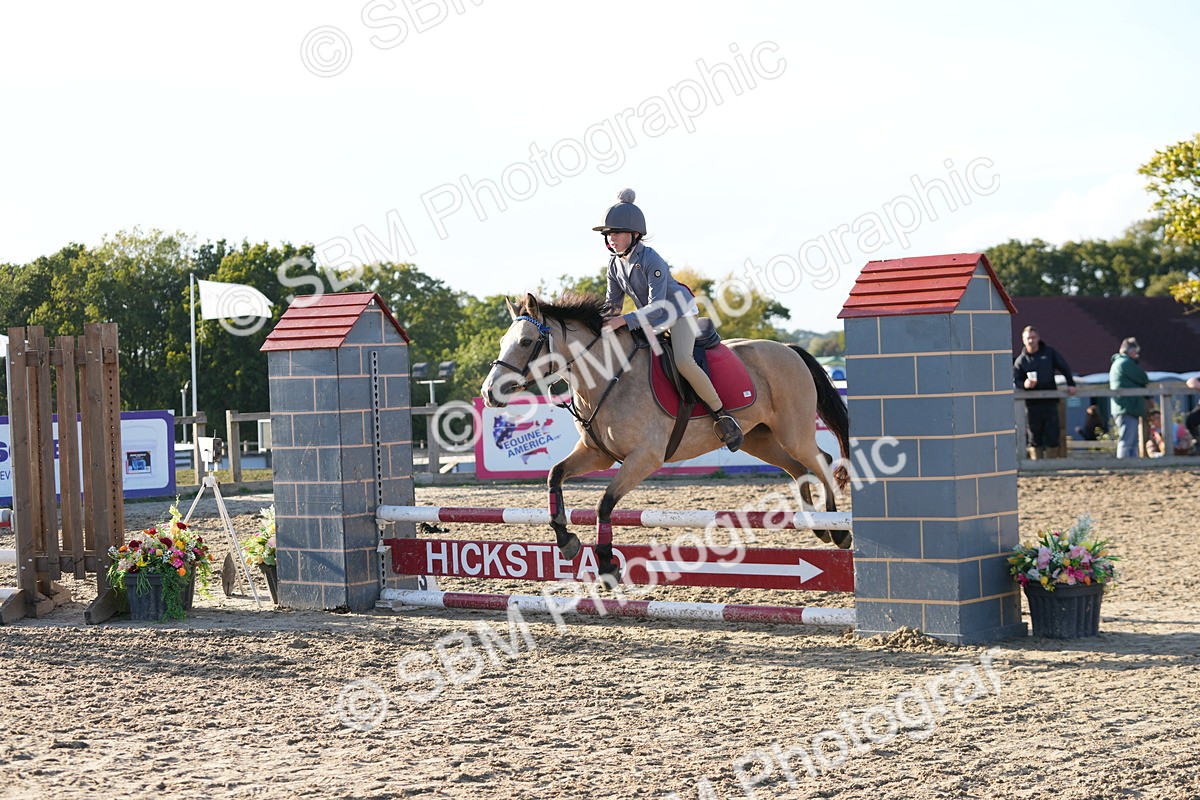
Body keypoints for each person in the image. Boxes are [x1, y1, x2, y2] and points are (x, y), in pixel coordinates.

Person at [595, 188, 744, 451]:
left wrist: (623, 321)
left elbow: (657, 307)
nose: (611, 239)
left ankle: (722, 415)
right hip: (651, 318)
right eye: (608, 234)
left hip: (677, 312)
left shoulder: (651, 259)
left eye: (615, 233)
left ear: (634, 234)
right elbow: (612, 306)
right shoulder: (614, 265)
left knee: (684, 360)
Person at [1013, 325, 1076, 459]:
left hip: (1050, 402)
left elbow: (1064, 367)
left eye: (1033, 337)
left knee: (1053, 433)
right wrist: (1025, 384)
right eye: (1028, 338)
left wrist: (1071, 384)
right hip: (1032, 404)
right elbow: (1016, 380)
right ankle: (1037, 464)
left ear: (1038, 338)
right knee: (1034, 434)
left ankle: (1052, 463)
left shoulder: (1049, 353)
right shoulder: (1021, 360)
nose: (1031, 340)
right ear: (1023, 340)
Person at [1108, 337, 1151, 459]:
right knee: (1127, 440)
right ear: (1131, 351)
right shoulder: (1126, 363)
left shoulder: (1119, 363)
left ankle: (1132, 463)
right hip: (1127, 406)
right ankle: (1125, 464)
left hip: (1125, 406)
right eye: (1135, 352)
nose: (1136, 355)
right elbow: (1143, 378)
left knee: (1131, 440)